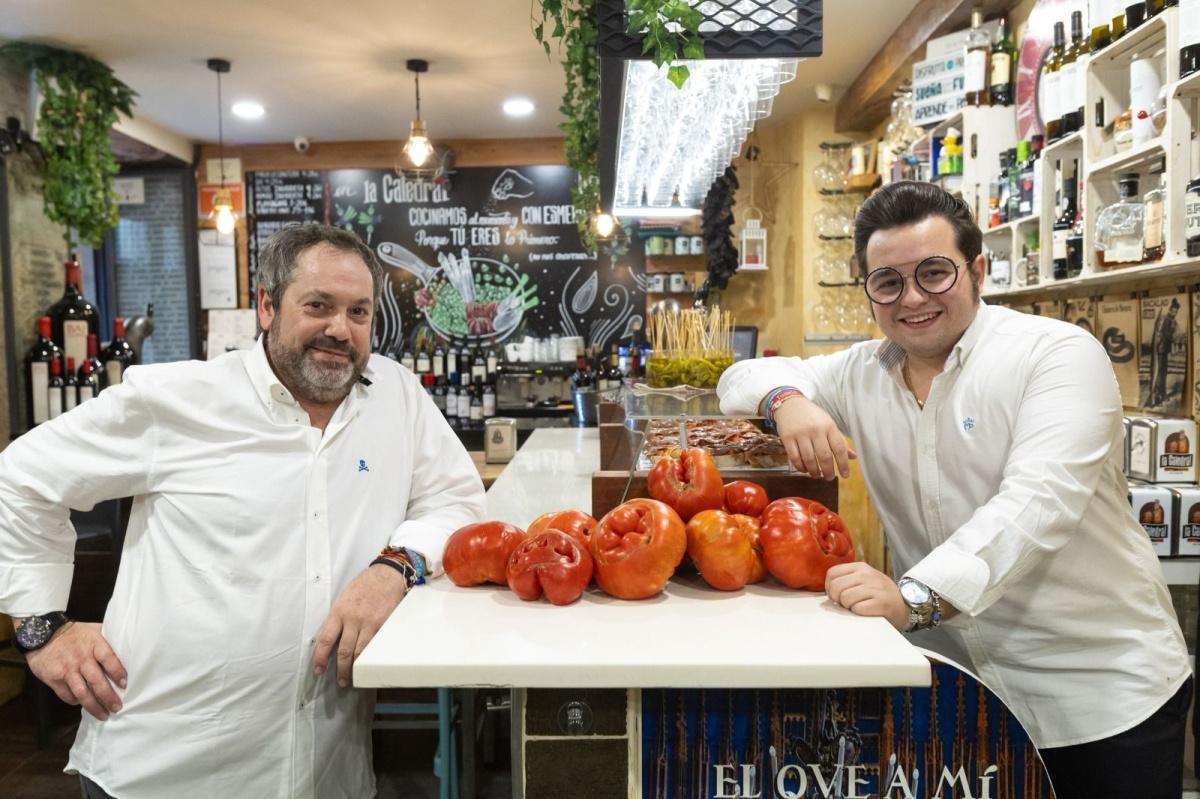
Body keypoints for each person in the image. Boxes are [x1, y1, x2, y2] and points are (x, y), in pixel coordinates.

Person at [717, 181, 1191, 799]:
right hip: (965, 696)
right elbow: (740, 375)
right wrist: (787, 401)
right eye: (887, 282)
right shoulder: (861, 372)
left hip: (1099, 695)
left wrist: (914, 598)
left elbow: (1037, 504)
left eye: (934, 273)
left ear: (978, 270)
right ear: (868, 291)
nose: (912, 298)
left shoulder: (1056, 355)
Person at [0, 224, 486, 798]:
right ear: (266, 305)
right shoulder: (178, 399)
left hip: (326, 773)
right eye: (318, 305)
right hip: (165, 773)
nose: (340, 328)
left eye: (359, 312)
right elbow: (19, 477)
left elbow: (456, 500)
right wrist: (41, 629)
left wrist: (394, 566)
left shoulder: (397, 398)